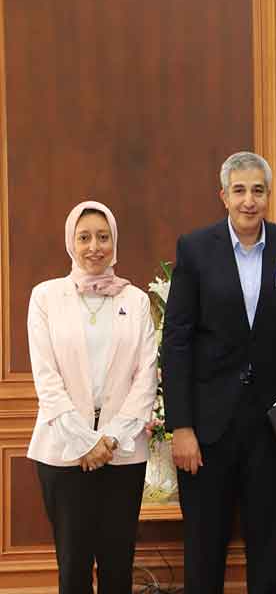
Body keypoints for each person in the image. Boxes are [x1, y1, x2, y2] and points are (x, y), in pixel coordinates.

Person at [162, 151, 276, 594]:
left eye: (257, 190)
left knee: (268, 555)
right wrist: (180, 426)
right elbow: (176, 343)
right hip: (206, 431)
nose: (249, 200)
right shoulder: (194, 250)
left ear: (268, 196)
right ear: (223, 196)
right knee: (203, 553)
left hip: (272, 432)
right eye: (239, 191)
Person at [27, 201, 158, 594]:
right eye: (84, 237)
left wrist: (110, 440)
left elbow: (145, 377)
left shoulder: (134, 301)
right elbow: (47, 379)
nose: (94, 246)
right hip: (63, 454)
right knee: (74, 566)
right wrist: (85, 442)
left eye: (103, 237)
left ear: (114, 242)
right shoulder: (46, 297)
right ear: (71, 241)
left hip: (123, 454)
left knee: (119, 566)